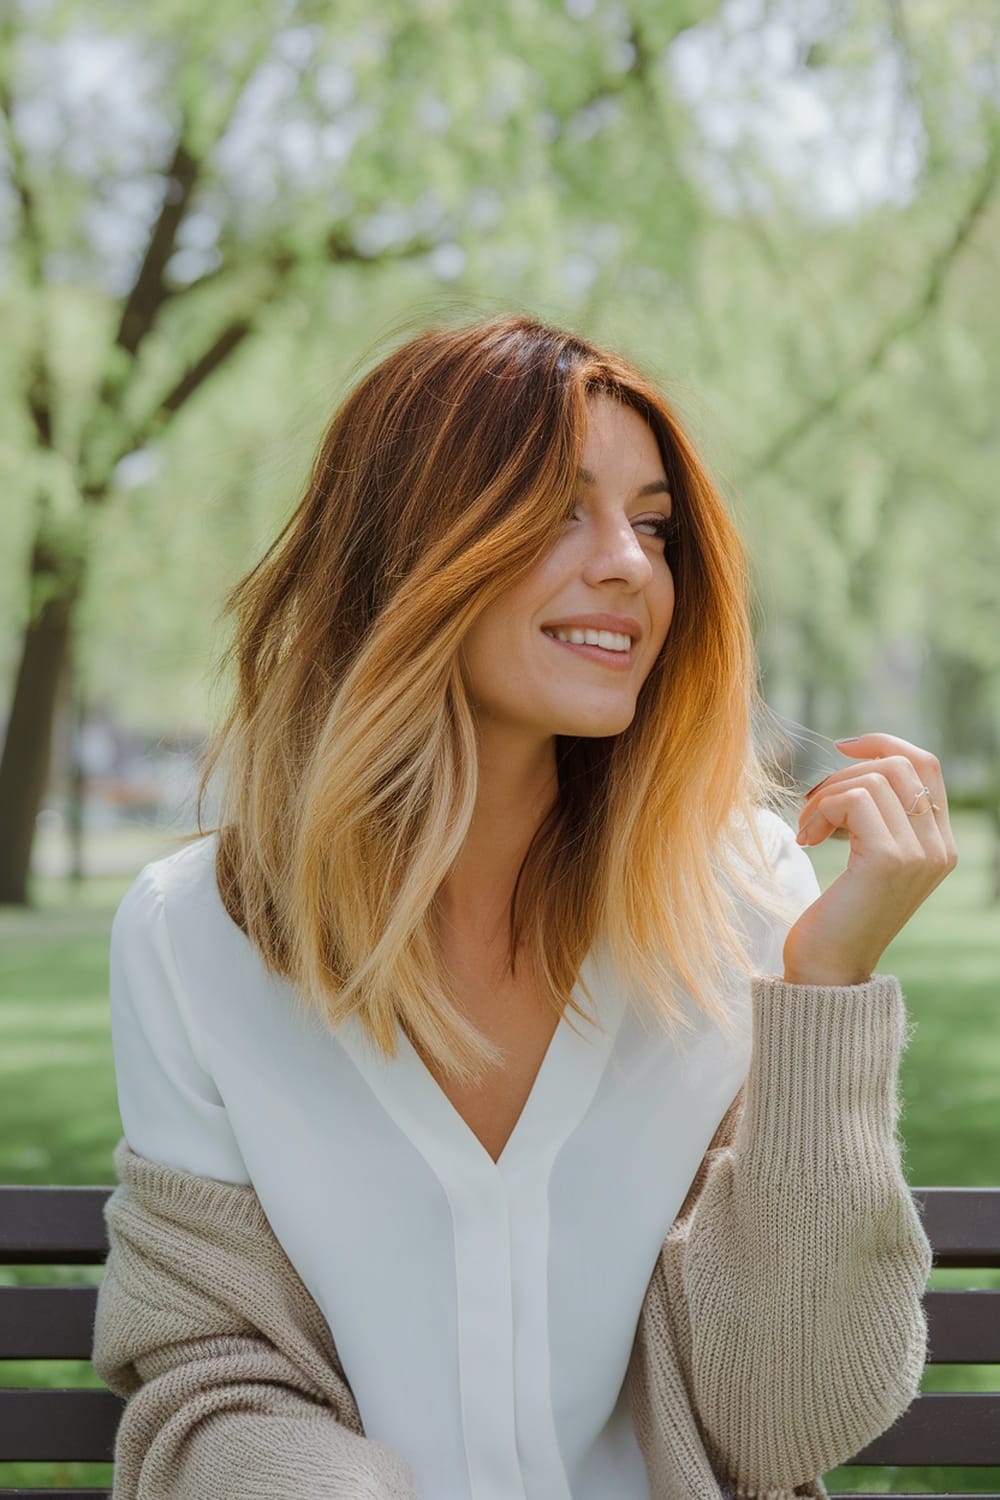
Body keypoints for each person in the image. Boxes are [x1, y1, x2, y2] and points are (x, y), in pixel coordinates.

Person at [92, 313, 957, 1500]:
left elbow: (781, 1421)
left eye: (652, 525)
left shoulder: (749, 897)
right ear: (403, 548)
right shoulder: (191, 935)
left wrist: (828, 992)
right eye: (560, 510)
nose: (628, 563)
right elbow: (209, 1370)